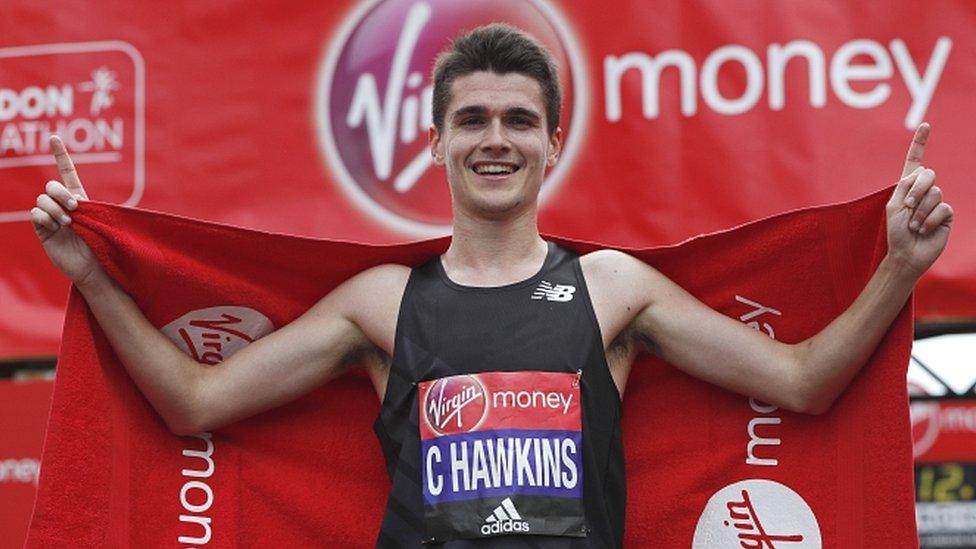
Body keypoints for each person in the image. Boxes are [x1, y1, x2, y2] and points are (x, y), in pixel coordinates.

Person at [32, 24, 951, 548]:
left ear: (553, 142)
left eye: (519, 118)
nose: (494, 138)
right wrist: (97, 280)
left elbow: (801, 382)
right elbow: (193, 402)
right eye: (470, 119)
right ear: (435, 142)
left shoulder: (615, 290)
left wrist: (899, 268)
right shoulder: (380, 303)